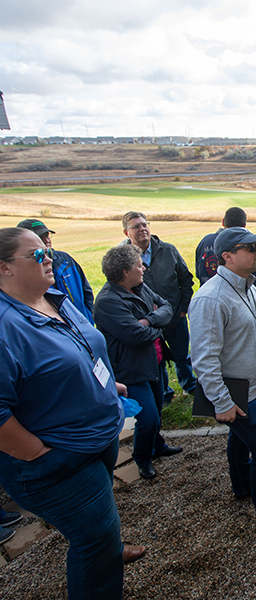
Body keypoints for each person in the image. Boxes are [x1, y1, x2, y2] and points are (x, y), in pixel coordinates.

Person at [0, 227, 145, 600]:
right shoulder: (5, 327)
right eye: (36, 255)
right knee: (93, 541)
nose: (48, 256)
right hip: (60, 456)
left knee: (100, 526)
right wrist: (37, 453)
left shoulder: (53, 298)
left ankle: (106, 542)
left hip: (95, 437)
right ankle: (101, 549)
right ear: (4, 269)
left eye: (46, 250)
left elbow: (80, 350)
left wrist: (104, 386)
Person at [188, 227, 256, 549]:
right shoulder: (210, 298)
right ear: (227, 256)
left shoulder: (250, 287)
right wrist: (221, 402)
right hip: (234, 392)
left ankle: (242, 486)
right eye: (249, 247)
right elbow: (203, 360)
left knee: (240, 442)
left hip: (255, 385)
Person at [94, 245, 183, 480]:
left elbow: (167, 307)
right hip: (131, 370)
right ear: (125, 272)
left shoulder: (139, 287)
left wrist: (147, 321)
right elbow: (135, 336)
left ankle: (158, 446)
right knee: (148, 418)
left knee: (157, 410)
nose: (143, 268)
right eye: (138, 265)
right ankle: (142, 459)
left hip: (155, 363)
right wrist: (153, 324)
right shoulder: (107, 302)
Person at [123, 211, 196, 401]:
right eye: (136, 226)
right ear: (126, 233)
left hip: (175, 317)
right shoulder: (123, 258)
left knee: (182, 355)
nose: (142, 229)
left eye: (144, 224)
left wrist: (183, 309)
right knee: (156, 360)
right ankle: (164, 393)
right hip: (148, 322)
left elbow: (186, 279)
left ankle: (189, 385)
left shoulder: (168, 250)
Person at [17, 218, 94, 323]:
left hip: (82, 325)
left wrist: (89, 318)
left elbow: (86, 292)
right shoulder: (25, 271)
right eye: (40, 237)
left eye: (47, 235)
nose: (46, 240)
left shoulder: (66, 260)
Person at [195, 206, 256, 286]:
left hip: (206, 288)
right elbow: (253, 276)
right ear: (244, 225)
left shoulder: (205, 241)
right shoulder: (247, 243)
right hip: (236, 293)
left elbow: (198, 272)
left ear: (223, 222)